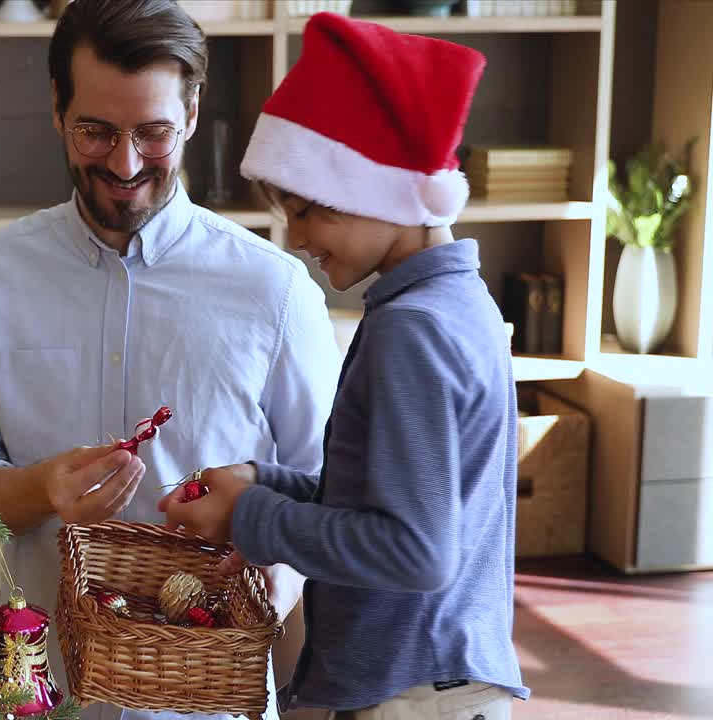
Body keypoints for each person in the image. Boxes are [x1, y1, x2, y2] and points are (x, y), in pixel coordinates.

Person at [0, 1, 341, 718]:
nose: (124, 164)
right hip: (39, 691)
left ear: (191, 112)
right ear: (57, 109)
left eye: (152, 133)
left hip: (211, 701)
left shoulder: (275, 291)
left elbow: (327, 490)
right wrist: (39, 489)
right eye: (96, 130)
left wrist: (280, 573)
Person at [161, 12, 530, 720]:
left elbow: (415, 552)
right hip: (444, 679)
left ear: (382, 193)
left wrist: (252, 516)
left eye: (312, 211)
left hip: (412, 694)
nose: (296, 237)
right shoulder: (457, 302)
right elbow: (393, 497)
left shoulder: (411, 331)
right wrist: (267, 482)